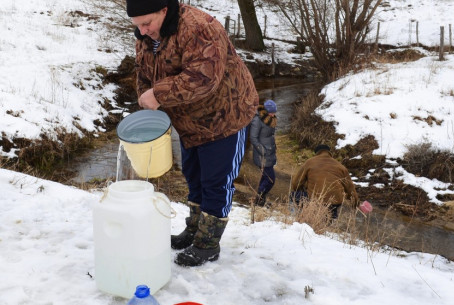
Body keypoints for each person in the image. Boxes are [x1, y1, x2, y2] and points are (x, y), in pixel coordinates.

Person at [126, 0, 259, 266]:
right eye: (137, 25)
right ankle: (194, 230)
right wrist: (144, 95)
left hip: (225, 116)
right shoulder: (146, 34)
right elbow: (144, 71)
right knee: (194, 176)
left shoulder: (199, 28)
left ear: (164, 10)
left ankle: (207, 244)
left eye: (146, 23)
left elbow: (204, 78)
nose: (142, 31)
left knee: (216, 182)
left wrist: (159, 94)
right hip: (189, 121)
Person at [290, 145, 359, 220]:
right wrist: (355, 204)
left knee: (293, 195)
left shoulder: (310, 162)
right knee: (330, 215)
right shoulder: (340, 166)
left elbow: (296, 183)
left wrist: (302, 189)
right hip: (334, 203)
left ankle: (294, 219)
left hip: (315, 200)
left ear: (316, 153)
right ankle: (331, 221)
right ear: (329, 153)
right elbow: (351, 190)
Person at [249, 100, 277, 206]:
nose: (274, 114)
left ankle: (259, 201)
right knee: (270, 180)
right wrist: (262, 151)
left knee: (265, 178)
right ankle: (259, 199)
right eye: (272, 112)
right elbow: (253, 138)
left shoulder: (270, 119)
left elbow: (269, 136)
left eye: (274, 112)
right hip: (262, 155)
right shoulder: (257, 120)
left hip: (269, 153)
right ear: (266, 111)